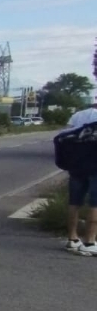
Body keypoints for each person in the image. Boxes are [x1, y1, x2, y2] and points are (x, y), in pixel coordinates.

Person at [60, 99, 97, 255]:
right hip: (95, 165)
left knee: (74, 202)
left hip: (77, 165)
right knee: (95, 204)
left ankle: (72, 239)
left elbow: (66, 138)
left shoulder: (78, 116)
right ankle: (89, 241)